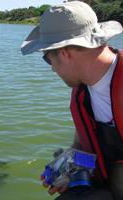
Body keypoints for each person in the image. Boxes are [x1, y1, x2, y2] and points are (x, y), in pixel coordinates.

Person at [21, 1, 123, 200]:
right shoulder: (84, 90)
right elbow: (82, 143)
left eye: (47, 59)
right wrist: (73, 172)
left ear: (64, 53)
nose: (51, 69)